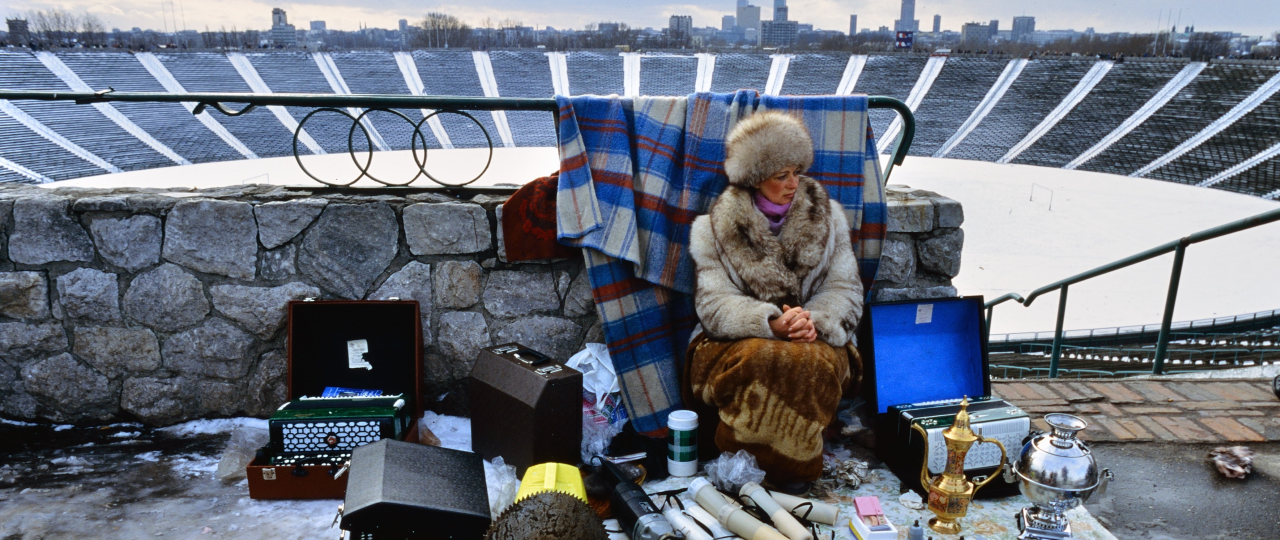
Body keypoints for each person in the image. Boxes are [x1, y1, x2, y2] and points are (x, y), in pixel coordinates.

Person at [684, 111, 864, 490]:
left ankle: (794, 475)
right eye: (781, 175)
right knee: (761, 357)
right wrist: (769, 323)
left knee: (809, 362)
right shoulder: (713, 228)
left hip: (817, 334)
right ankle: (739, 473)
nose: (793, 183)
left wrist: (813, 321)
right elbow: (714, 304)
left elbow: (845, 288)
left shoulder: (829, 218)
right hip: (732, 340)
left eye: (796, 171)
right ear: (754, 179)